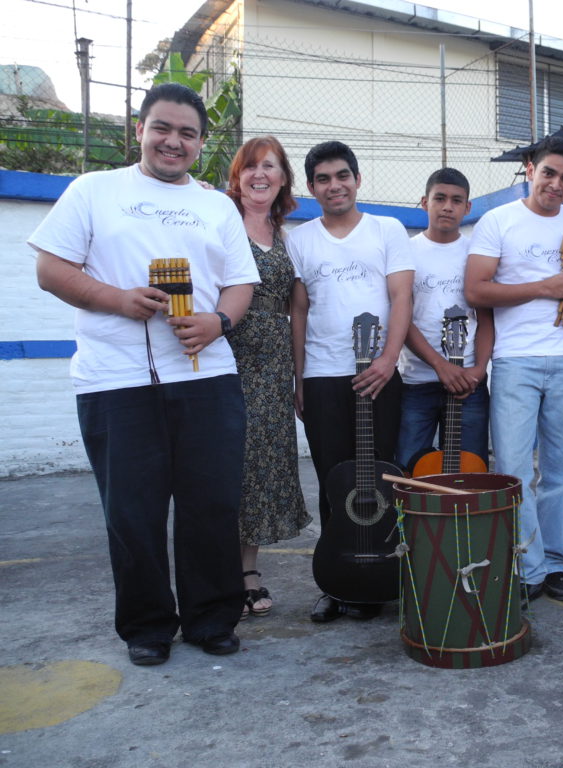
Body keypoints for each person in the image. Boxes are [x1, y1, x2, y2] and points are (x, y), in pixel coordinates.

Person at [29, 83, 258, 665]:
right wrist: (117, 299)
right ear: (139, 130)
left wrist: (218, 322)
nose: (173, 141)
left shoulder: (217, 205)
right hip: (115, 379)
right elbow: (51, 269)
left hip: (207, 377)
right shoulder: (93, 191)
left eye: (187, 133)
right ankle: (147, 626)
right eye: (162, 127)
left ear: (202, 143)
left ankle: (212, 619)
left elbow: (241, 282)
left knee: (212, 505)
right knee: (132, 510)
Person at [288, 141, 414, 623]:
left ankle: (378, 575)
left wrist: (387, 359)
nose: (334, 185)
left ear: (357, 180)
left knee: (381, 482)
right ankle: (337, 583)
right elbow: (298, 311)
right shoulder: (300, 239)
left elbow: (401, 297)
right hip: (322, 377)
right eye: (323, 179)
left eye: (342, 175)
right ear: (311, 187)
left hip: (378, 377)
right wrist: (299, 380)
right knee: (331, 482)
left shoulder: (388, 229)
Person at [464, 137, 563, 604]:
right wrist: (543, 287)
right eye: (549, 173)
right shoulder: (498, 221)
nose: (556, 185)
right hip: (515, 359)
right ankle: (528, 566)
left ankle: (554, 563)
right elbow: (476, 291)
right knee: (514, 468)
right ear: (530, 169)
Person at [224, 137, 311, 619]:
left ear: (282, 179)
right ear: (238, 176)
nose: (260, 174)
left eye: (270, 167)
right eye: (252, 166)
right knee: (226, 465)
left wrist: (298, 378)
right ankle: (218, 570)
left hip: (273, 365)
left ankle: (248, 570)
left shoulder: (286, 236)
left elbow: (297, 309)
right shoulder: (220, 223)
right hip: (224, 357)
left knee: (263, 467)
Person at [396, 168, 493, 471]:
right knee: (410, 475)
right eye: (440, 198)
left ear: (468, 207)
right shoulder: (405, 252)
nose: (447, 206)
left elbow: (487, 317)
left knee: (471, 475)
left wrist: (478, 369)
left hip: (468, 385)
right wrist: (440, 366)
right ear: (425, 202)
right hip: (417, 382)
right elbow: (403, 319)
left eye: (456, 200)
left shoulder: (477, 254)